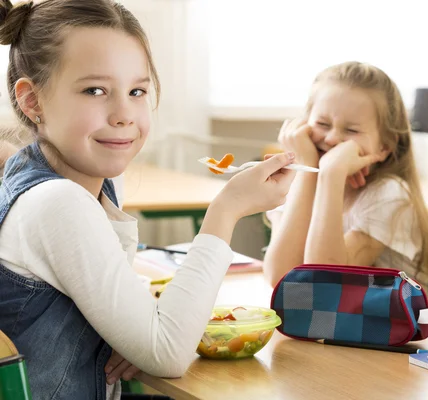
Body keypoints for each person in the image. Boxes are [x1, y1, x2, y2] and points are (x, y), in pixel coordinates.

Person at [0, 1, 296, 398]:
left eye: (137, 90)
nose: (124, 113)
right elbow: (168, 354)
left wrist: (138, 335)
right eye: (95, 90)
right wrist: (226, 210)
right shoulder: (57, 201)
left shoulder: (75, 175)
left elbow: (146, 332)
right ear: (32, 101)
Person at [263, 61, 428, 288]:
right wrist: (308, 171)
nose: (331, 139)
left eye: (351, 130)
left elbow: (323, 283)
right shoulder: (298, 181)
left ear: (384, 147)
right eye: (322, 123)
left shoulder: (389, 193)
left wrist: (331, 176)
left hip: (404, 322)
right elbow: (280, 278)